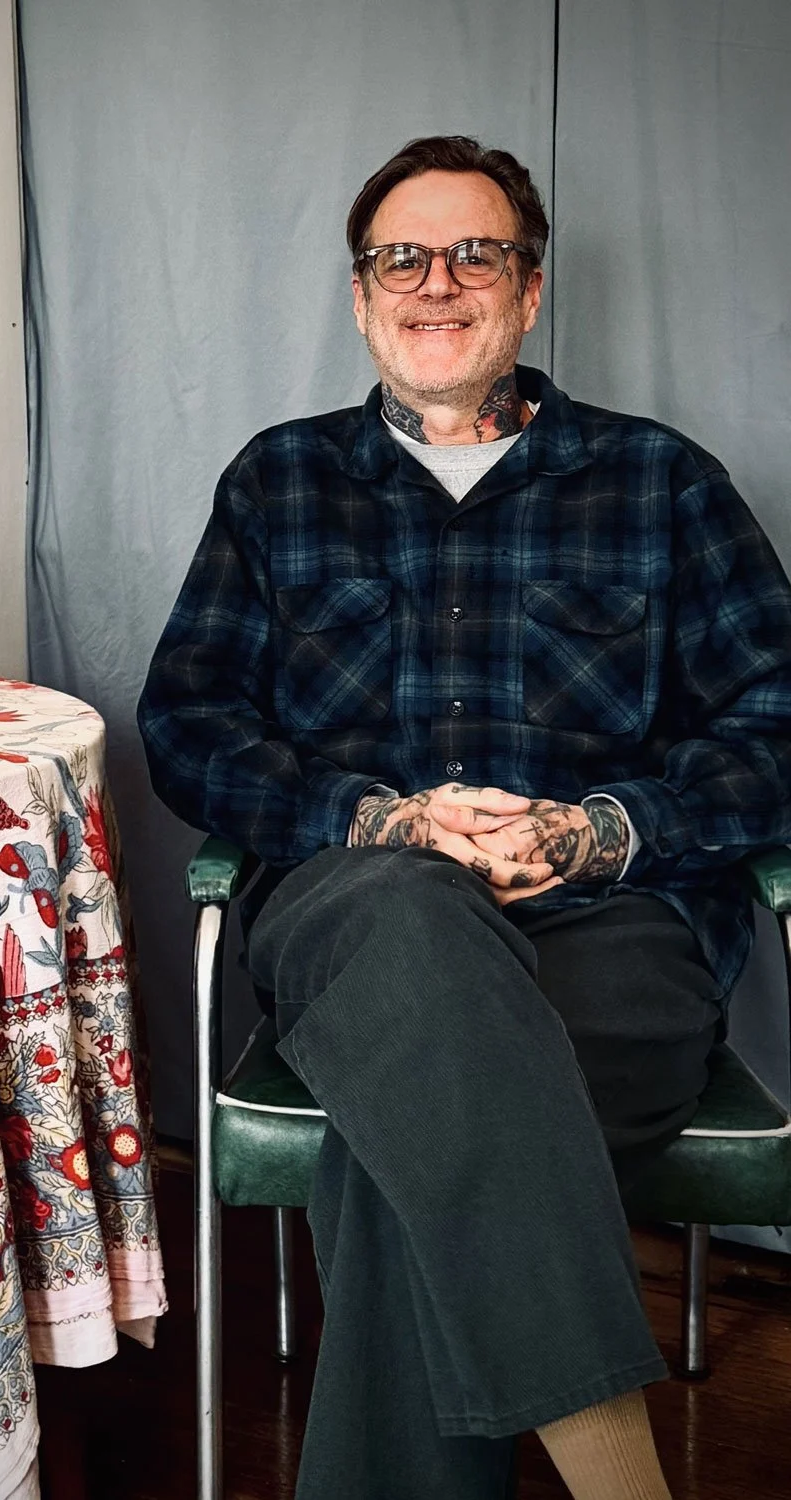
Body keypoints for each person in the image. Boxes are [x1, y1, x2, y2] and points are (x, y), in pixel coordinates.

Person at [137, 135, 791, 1499]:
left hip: (613, 922)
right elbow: (191, 723)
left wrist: (596, 830)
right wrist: (383, 821)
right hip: (355, 905)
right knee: (410, 928)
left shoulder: (662, 482)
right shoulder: (279, 483)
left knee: (408, 1143)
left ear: (530, 290)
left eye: (475, 255)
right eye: (402, 259)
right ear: (361, 295)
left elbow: (775, 726)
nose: (436, 283)